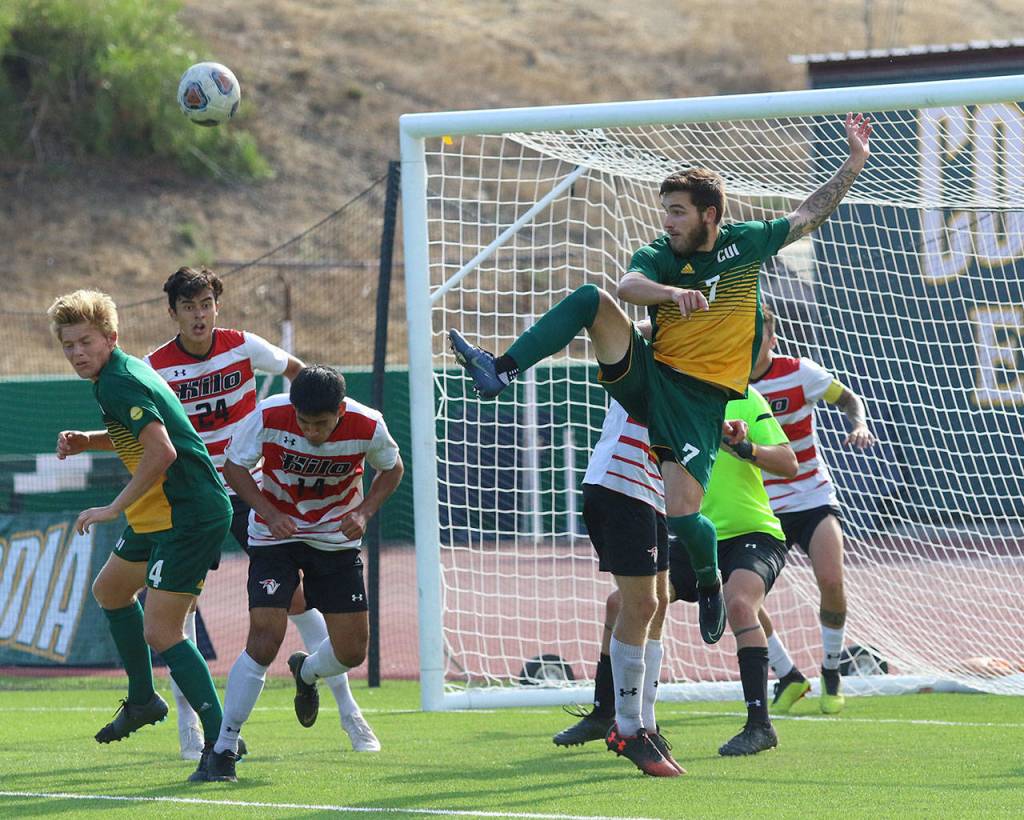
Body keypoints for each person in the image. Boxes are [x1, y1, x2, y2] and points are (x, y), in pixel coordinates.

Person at [449, 114, 873, 653]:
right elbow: (627, 284)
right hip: (652, 375)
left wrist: (854, 162)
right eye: (665, 211)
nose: (668, 222)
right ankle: (500, 369)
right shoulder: (661, 255)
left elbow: (808, 213)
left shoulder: (746, 244)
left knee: (685, 515)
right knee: (590, 299)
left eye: (678, 211)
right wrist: (671, 295)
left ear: (710, 215)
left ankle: (710, 581)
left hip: (698, 401)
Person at [146, 266, 382, 757]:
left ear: (217, 306)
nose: (199, 315)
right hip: (189, 492)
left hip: (245, 488)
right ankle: (189, 725)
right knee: (182, 604)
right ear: (172, 313)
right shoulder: (155, 367)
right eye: (188, 306)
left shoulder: (244, 345)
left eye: (206, 304)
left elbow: (303, 378)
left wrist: (334, 428)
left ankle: (348, 711)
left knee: (297, 599)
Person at [556, 385, 798, 764]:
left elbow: (788, 462)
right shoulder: (677, 392)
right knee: (623, 604)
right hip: (693, 534)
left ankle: (760, 724)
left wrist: (745, 447)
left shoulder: (748, 399)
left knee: (738, 603)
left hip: (753, 532)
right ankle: (605, 713)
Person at [48, 289, 231, 781]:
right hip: (163, 513)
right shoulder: (119, 375)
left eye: (86, 341)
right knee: (110, 590)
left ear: (111, 337)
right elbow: (148, 431)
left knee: (162, 631)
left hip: (189, 512)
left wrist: (112, 508)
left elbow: (163, 452)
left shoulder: (118, 383)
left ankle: (223, 745)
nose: (77, 353)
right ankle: (144, 698)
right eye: (68, 346)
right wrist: (91, 440)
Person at [191, 365, 404, 782]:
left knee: (352, 652)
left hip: (335, 541)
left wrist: (364, 511)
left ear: (341, 411)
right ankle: (223, 748)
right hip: (274, 538)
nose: (311, 431)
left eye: (321, 424)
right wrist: (267, 513)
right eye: (304, 422)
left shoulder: (368, 423)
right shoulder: (271, 414)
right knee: (264, 638)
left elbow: (392, 469)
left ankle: (306, 671)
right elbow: (234, 468)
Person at [749, 301, 877, 714]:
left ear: (772, 337)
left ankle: (832, 673)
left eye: (757, 335)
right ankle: (788, 676)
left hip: (811, 496)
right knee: (743, 598)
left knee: (832, 581)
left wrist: (859, 422)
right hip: (758, 506)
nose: (748, 342)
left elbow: (848, 398)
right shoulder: (723, 379)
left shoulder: (800, 373)